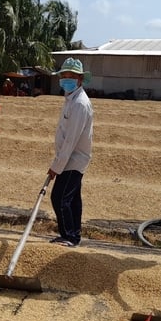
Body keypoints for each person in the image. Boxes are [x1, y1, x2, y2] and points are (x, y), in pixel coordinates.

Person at [47, 57, 94, 247]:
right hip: (68, 158)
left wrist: (56, 167)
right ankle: (74, 235)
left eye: (71, 76)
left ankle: (68, 236)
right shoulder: (70, 99)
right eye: (64, 76)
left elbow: (71, 140)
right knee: (72, 198)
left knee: (59, 198)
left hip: (73, 160)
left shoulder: (80, 104)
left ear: (80, 79)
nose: (66, 79)